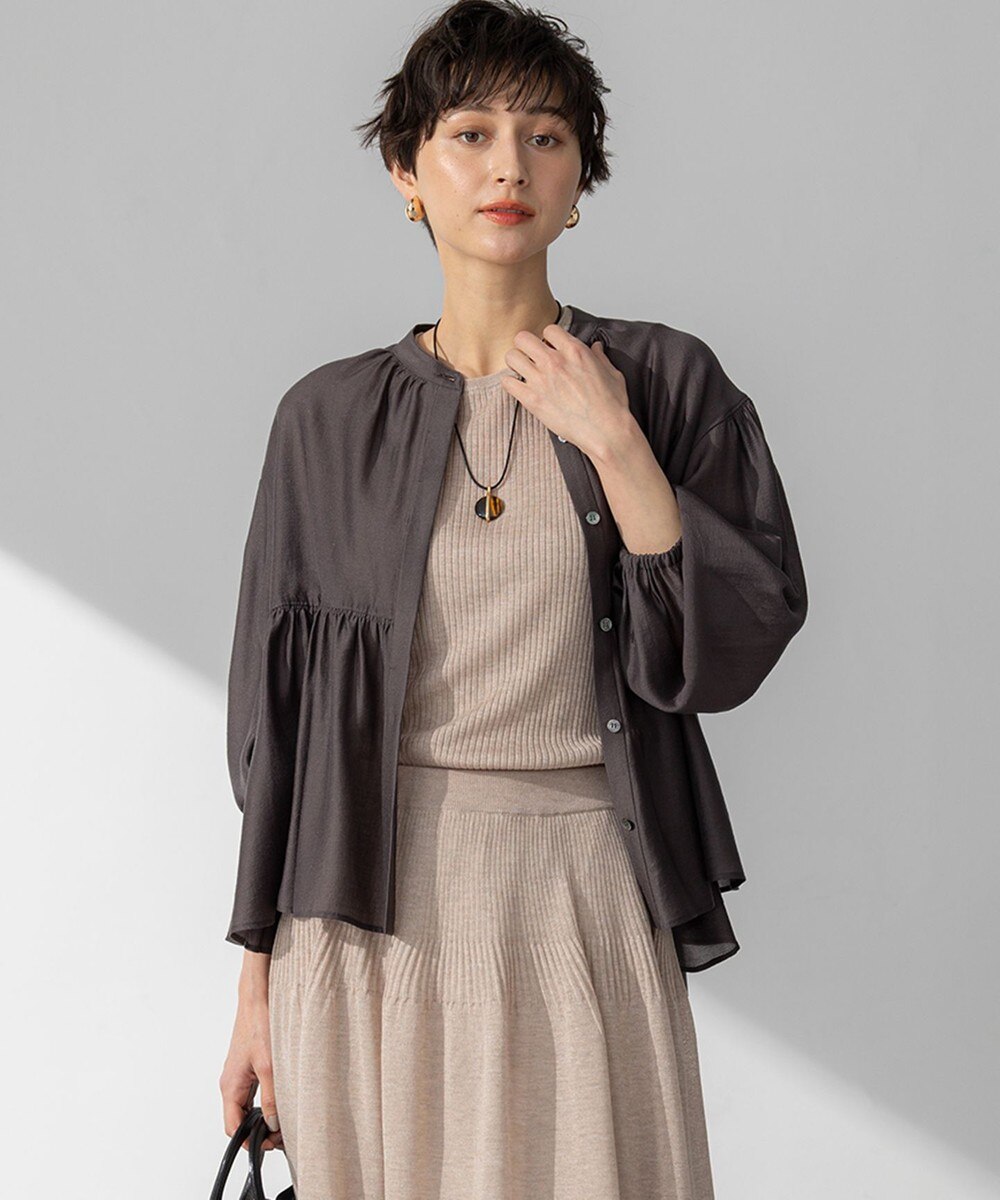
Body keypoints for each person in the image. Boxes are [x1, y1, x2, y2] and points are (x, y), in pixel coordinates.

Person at [218, 2, 808, 1197]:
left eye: (545, 137)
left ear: (580, 178)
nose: (508, 168)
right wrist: (255, 991)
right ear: (406, 172)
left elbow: (730, 647)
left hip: (577, 898)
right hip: (360, 911)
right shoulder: (324, 421)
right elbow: (276, 735)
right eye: (470, 134)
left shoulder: (664, 381)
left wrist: (616, 444)